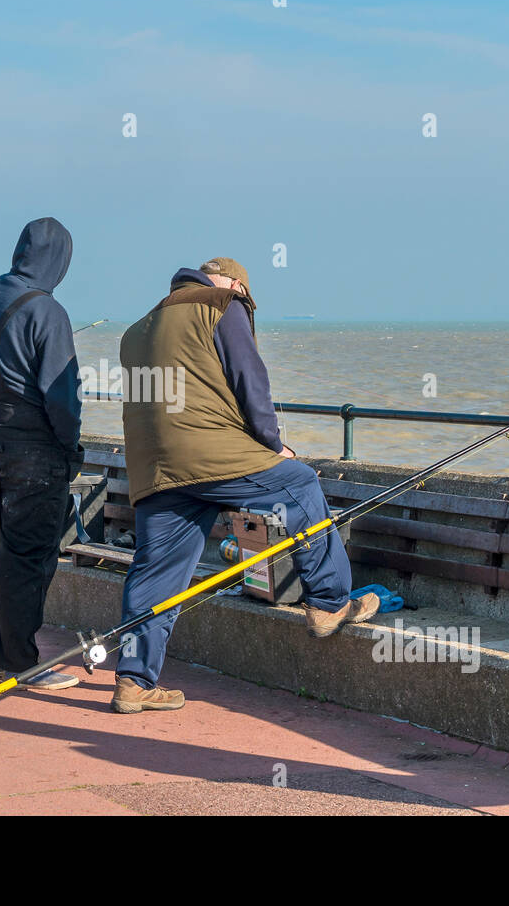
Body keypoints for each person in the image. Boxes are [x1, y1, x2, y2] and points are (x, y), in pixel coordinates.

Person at [111, 257, 379, 713]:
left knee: (156, 570)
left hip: (155, 466)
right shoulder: (222, 304)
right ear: (238, 285)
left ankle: (134, 681)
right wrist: (274, 444)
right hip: (208, 452)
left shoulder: (138, 328)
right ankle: (330, 603)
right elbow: (250, 380)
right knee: (300, 485)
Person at [0, 217, 84, 690]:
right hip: (36, 451)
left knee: (0, 547)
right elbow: (61, 396)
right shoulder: (48, 312)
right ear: (59, 260)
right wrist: (70, 445)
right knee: (29, 555)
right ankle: (22, 663)